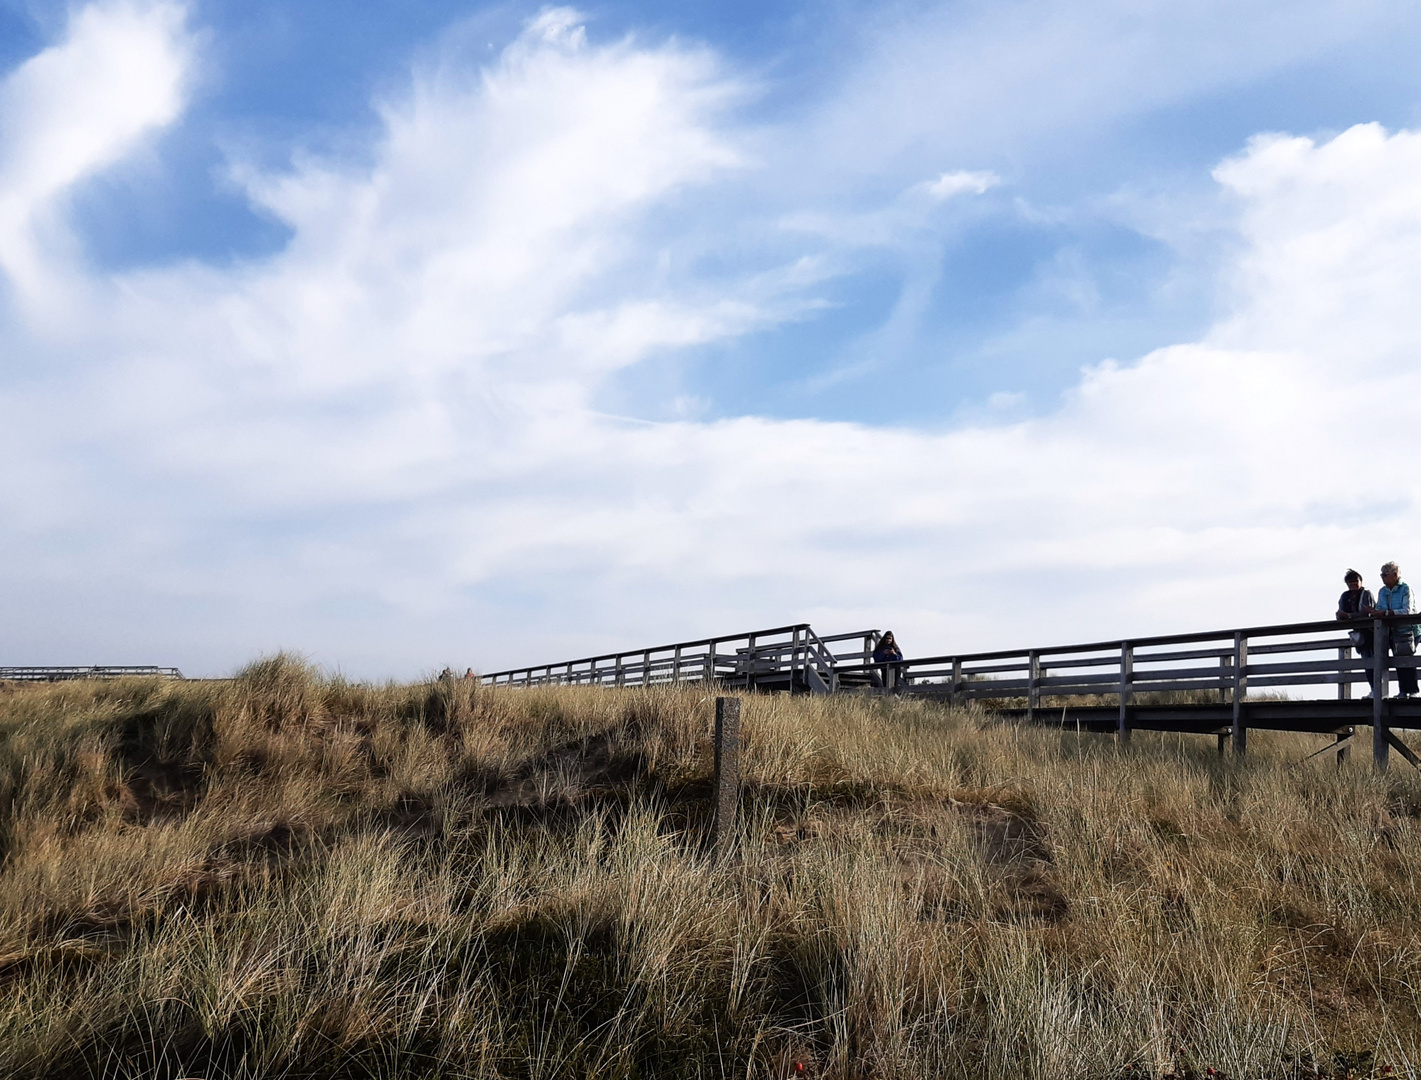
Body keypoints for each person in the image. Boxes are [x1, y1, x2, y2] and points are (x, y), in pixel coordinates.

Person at [1365, 561, 1418, 699]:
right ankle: (1402, 691)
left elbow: (1408, 610)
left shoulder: (1405, 589)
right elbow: (1380, 608)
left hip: (1409, 630)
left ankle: (1413, 691)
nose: (1382, 577)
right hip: (1392, 632)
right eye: (1381, 575)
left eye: (1385, 575)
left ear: (1395, 575)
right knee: (1397, 661)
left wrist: (1387, 613)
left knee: (1407, 660)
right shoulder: (1382, 591)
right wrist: (1374, 612)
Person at [1336, 569, 1375, 659]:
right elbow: (1341, 613)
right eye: (1350, 582)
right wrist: (1340, 616)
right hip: (1358, 633)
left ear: (1361, 582)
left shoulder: (1365, 594)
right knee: (1365, 659)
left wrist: (1349, 616)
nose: (1353, 584)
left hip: (1371, 632)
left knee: (1372, 658)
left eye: (1356, 581)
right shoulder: (1345, 596)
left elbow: (1366, 613)